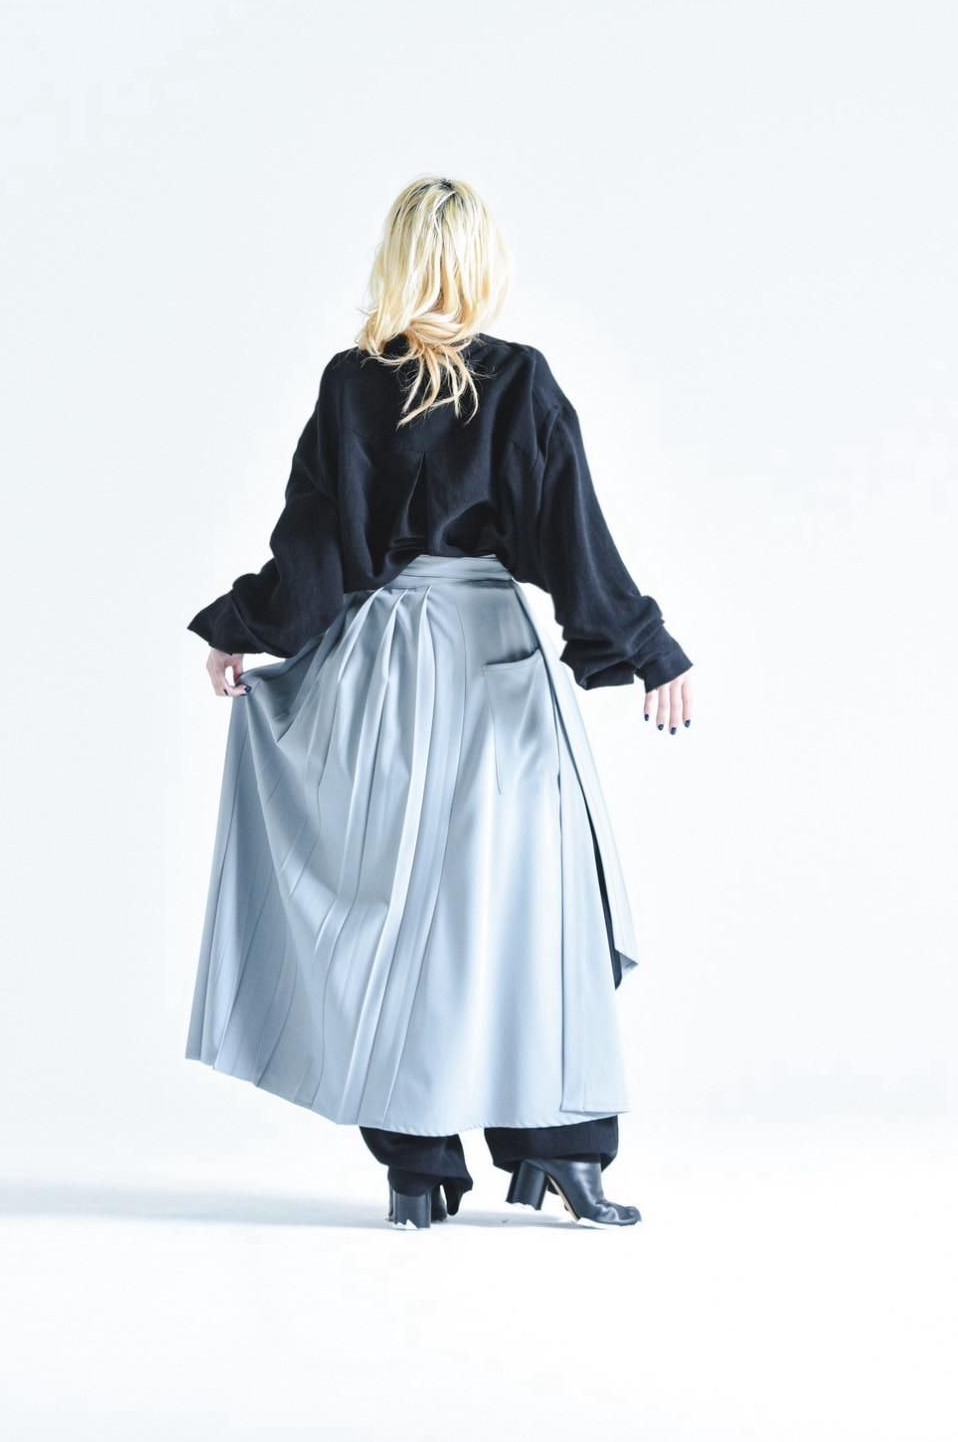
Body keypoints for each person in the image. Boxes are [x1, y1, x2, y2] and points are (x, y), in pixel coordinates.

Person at [184, 174, 693, 1230]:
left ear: (398, 259)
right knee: (531, 904)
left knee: (400, 909)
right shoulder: (520, 380)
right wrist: (646, 649)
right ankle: (565, 1152)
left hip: (382, 667)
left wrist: (243, 626)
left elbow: (315, 554)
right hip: (492, 660)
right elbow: (573, 539)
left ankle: (416, 1167)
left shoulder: (351, 385)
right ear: (478, 263)